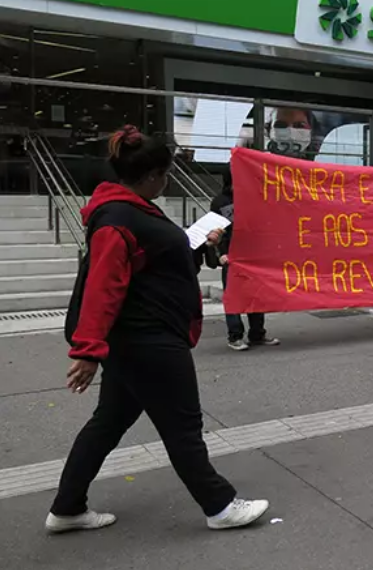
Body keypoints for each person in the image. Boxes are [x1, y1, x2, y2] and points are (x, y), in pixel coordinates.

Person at [47, 126, 268, 534]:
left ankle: (67, 507)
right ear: (152, 175)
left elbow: (153, 261)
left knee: (108, 423)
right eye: (165, 174)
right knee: (183, 425)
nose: (166, 182)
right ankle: (219, 505)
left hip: (140, 339)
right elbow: (103, 285)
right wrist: (87, 350)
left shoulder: (132, 209)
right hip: (148, 340)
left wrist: (200, 245)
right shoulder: (118, 218)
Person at [211, 167, 280, 351]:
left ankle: (257, 334)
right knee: (234, 296)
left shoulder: (253, 198)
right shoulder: (220, 202)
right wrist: (221, 253)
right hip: (232, 257)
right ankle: (235, 336)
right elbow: (216, 231)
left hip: (253, 255)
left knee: (256, 295)